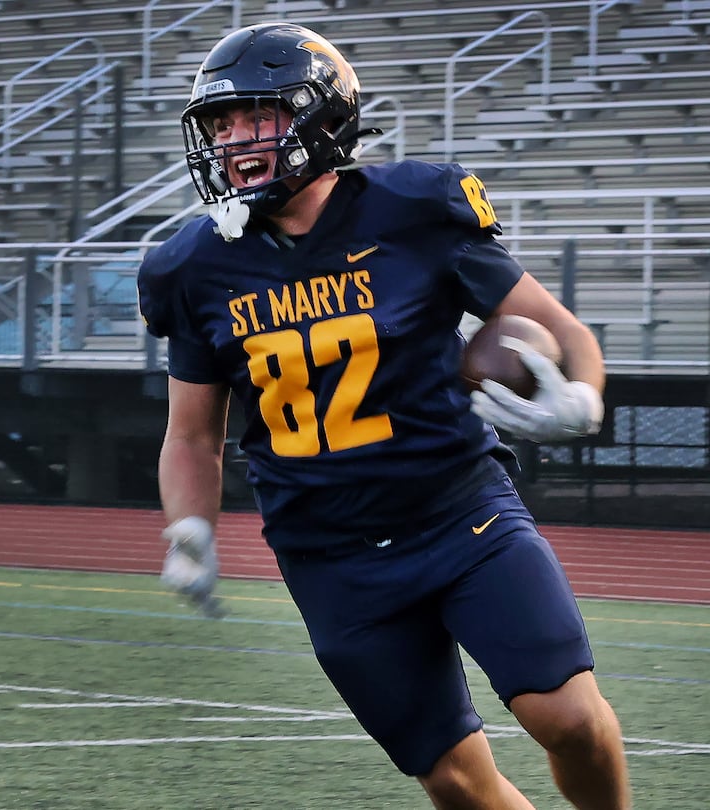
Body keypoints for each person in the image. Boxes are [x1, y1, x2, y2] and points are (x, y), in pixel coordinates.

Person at [137, 23, 631, 810]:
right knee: (453, 780)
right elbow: (191, 433)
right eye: (220, 126)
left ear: (320, 117)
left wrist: (586, 394)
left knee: (566, 715)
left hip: (459, 513)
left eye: (253, 117)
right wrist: (188, 529)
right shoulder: (192, 265)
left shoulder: (414, 209)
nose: (233, 141)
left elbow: (563, 330)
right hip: (329, 553)